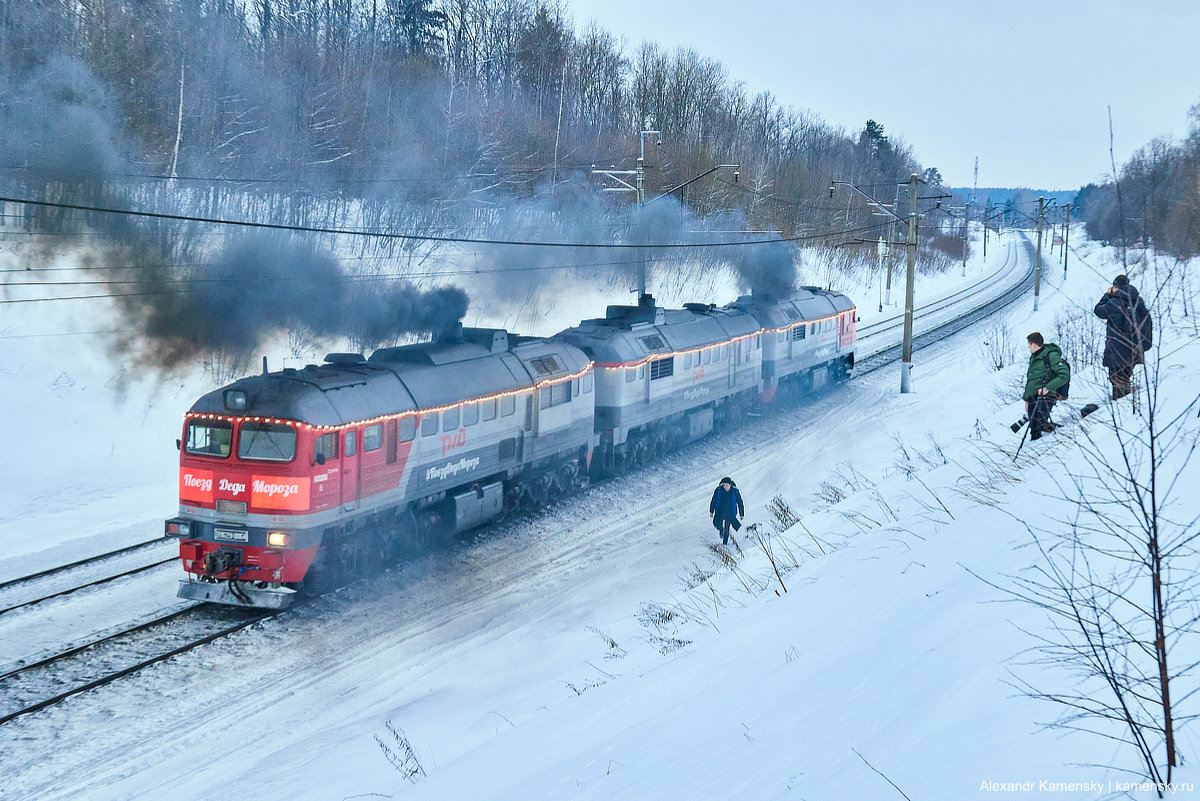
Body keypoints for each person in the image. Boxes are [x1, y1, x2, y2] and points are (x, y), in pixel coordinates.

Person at [1094, 274, 1152, 400]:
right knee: (1125, 376)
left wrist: (1107, 295)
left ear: (1115, 286)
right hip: (1134, 349)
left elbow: (1098, 310)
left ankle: (1121, 403)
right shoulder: (1137, 301)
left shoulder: (1115, 302)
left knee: (1116, 379)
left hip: (1117, 349)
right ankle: (1126, 400)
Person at [1022, 332, 1070, 441]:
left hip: (1046, 395)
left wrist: (1047, 387)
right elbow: (1031, 380)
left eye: (1029, 345)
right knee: (1034, 426)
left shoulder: (1051, 355)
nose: (1028, 347)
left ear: (1034, 345)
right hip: (1033, 395)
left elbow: (1064, 375)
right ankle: (1043, 437)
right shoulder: (1034, 357)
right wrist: (1026, 399)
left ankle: (1045, 443)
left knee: (1037, 425)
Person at [709, 476, 744, 545]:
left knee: (727, 528)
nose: (725, 487)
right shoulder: (718, 490)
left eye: (727, 485)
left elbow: (740, 502)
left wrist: (741, 513)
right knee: (716, 523)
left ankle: (725, 544)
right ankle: (721, 529)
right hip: (720, 510)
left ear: (730, 485)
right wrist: (711, 510)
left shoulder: (735, 491)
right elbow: (713, 500)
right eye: (724, 485)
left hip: (730, 511)